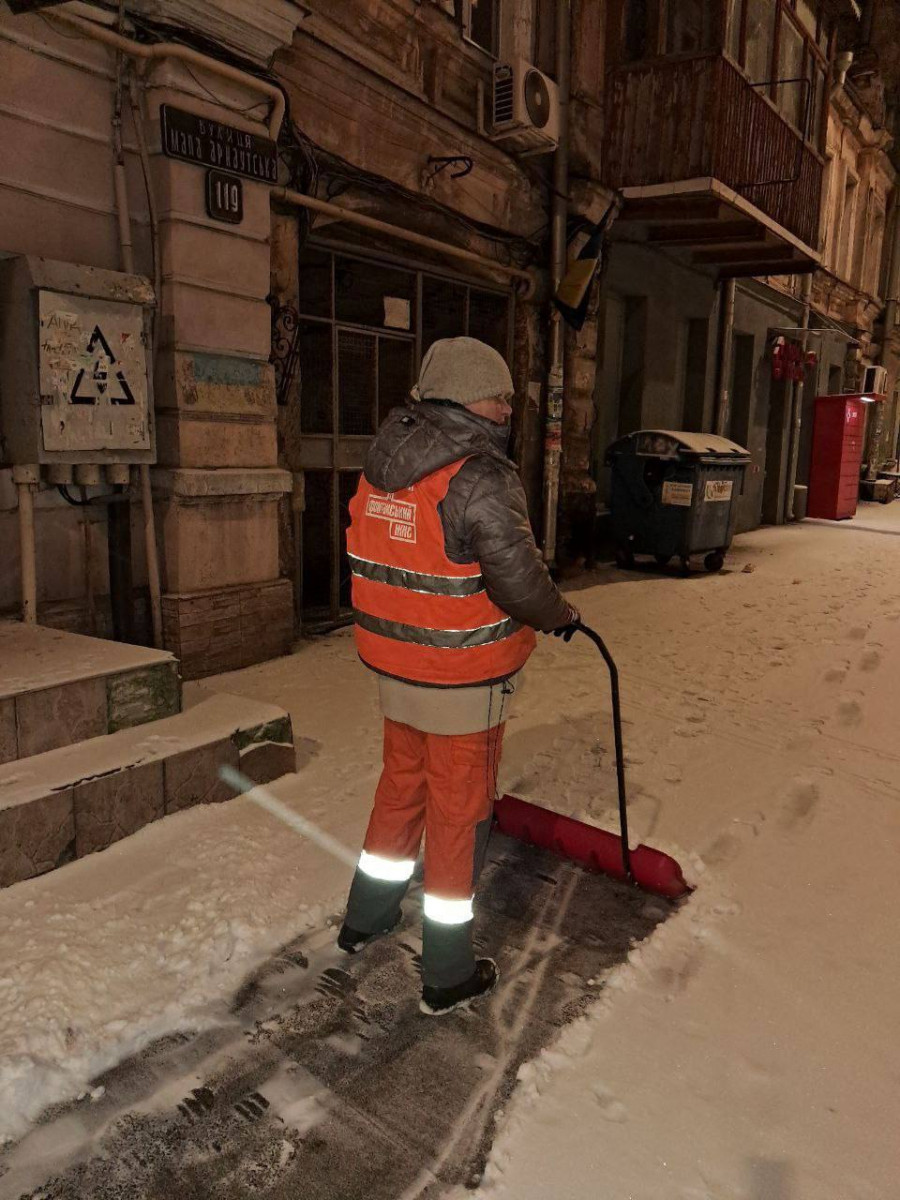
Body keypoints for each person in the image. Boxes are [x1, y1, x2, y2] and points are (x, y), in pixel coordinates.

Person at [338, 336, 579, 1016]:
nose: (507, 407)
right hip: (464, 676)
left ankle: (366, 918)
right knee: (459, 813)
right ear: (463, 397)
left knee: (400, 788)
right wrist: (559, 614)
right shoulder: (480, 475)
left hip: (393, 664)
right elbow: (520, 582)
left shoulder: (382, 463)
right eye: (497, 394)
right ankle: (446, 972)